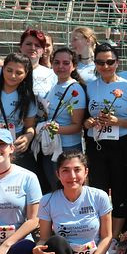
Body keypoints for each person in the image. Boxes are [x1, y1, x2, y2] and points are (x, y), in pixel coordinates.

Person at [35, 152, 114, 254]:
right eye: (65, 170)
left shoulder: (99, 196)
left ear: (86, 172)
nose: (72, 176)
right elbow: (43, 238)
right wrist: (37, 249)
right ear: (58, 174)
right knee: (55, 241)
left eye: (77, 170)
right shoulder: (47, 201)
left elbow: (107, 237)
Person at [83, 43, 127, 235]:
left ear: (117, 62)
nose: (105, 66)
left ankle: (115, 238)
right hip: (96, 144)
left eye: (109, 62)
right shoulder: (90, 86)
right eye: (100, 62)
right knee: (98, 192)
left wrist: (118, 121)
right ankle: (101, 234)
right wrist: (89, 122)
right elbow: (83, 121)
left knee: (121, 192)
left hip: (121, 146)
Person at [37, 47, 87, 190]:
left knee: (68, 189)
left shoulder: (75, 89)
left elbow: (77, 126)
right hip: (52, 145)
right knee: (55, 189)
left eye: (66, 63)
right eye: (57, 62)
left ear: (74, 66)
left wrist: (56, 129)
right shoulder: (55, 85)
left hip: (67, 148)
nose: (61, 66)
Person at [0, 53, 39, 172]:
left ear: (26, 74)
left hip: (13, 146)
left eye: (19, 73)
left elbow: (30, 126)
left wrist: (28, 137)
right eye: (9, 70)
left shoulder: (29, 99)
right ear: (3, 69)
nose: (12, 76)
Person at [19, 28, 55, 104]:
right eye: (28, 44)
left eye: (37, 45)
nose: (33, 48)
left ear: (43, 50)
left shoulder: (52, 75)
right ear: (20, 47)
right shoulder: (6, 71)